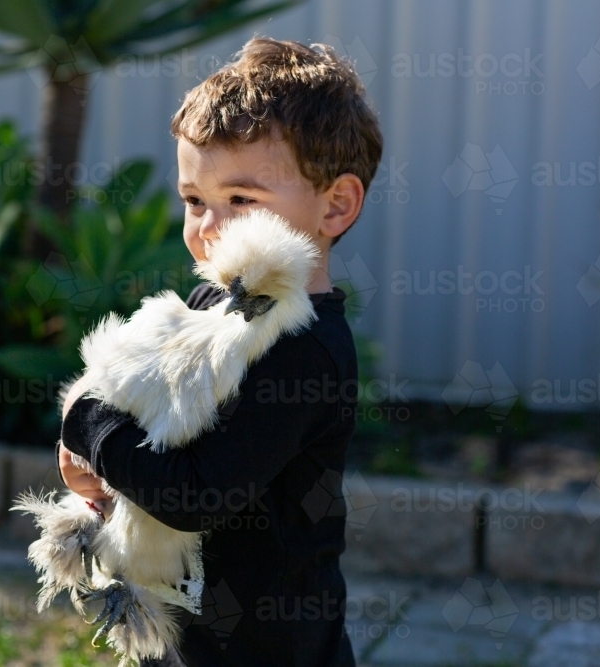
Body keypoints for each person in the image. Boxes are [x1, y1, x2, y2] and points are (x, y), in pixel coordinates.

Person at [57, 36, 384, 667]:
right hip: (186, 628)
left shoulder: (304, 351)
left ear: (335, 205)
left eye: (241, 200)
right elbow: (156, 423)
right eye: (194, 200)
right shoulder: (214, 310)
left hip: (268, 646)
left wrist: (86, 421)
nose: (207, 227)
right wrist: (98, 469)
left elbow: (194, 496)